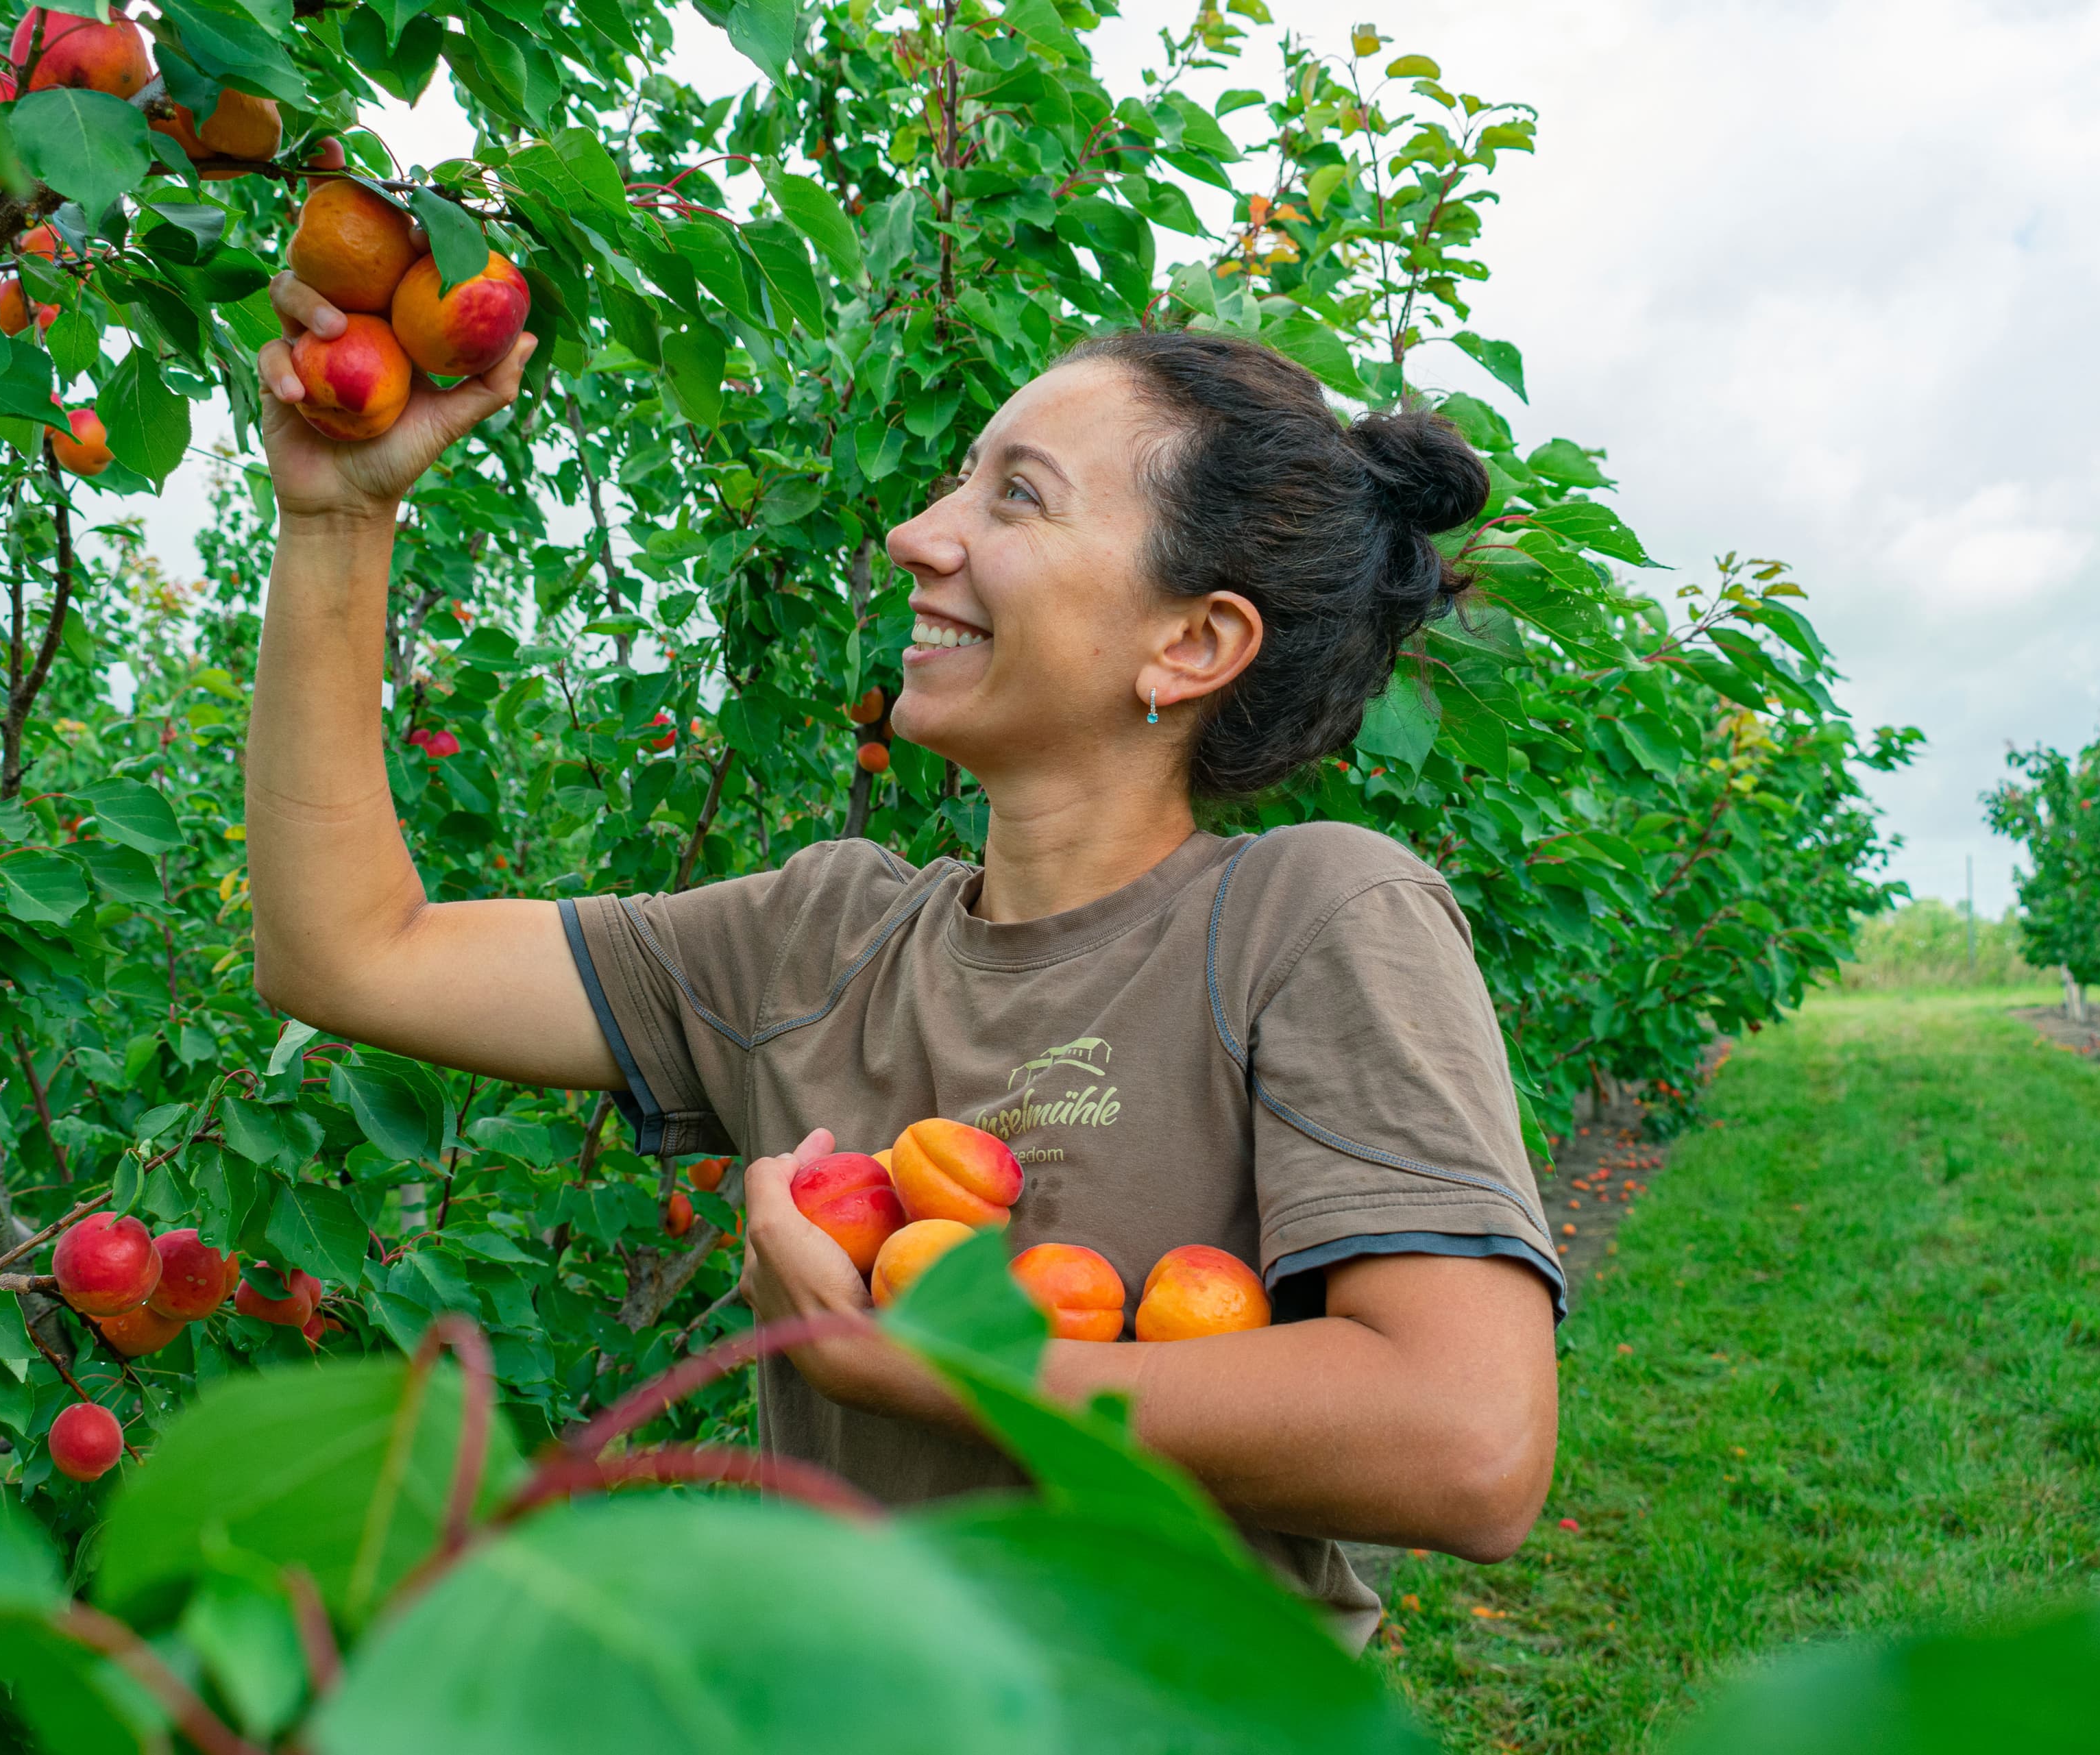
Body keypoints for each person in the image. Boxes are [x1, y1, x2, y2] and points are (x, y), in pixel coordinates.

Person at [249, 274, 1561, 1647]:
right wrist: (340, 519)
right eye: (956, 481)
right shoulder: (816, 940)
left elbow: (1468, 1444)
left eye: (1015, 499)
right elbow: (348, 955)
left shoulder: (1312, 917)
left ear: (1192, 641)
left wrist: (935, 1367)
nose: (914, 534)